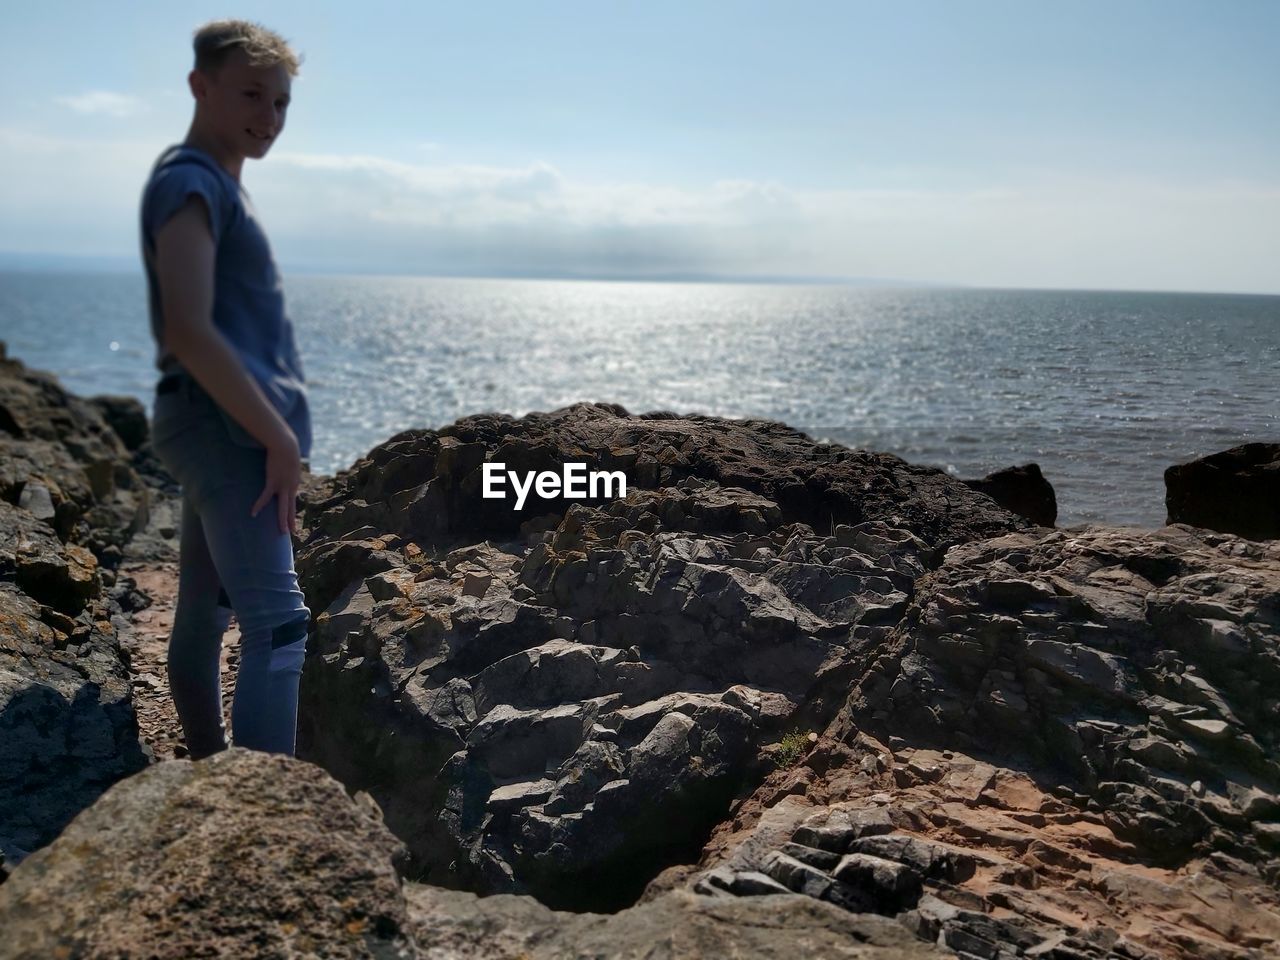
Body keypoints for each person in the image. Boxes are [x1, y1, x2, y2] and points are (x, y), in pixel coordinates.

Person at [139, 19, 312, 759]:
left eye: (280, 103)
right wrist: (276, 437)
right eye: (251, 94)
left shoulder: (213, 184)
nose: (268, 117)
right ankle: (263, 809)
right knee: (278, 625)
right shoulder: (191, 182)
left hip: (208, 423)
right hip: (227, 430)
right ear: (199, 86)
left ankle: (211, 771)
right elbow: (188, 328)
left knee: (207, 608)